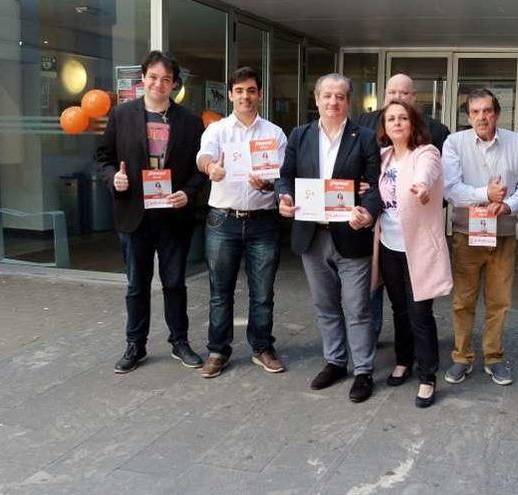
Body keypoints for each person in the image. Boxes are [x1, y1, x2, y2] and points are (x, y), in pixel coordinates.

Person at [97, 50, 206, 373]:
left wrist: (188, 193)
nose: (159, 83)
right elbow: (103, 157)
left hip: (173, 213)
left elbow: (200, 168)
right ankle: (136, 344)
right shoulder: (122, 115)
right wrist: (112, 178)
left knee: (174, 282)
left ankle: (180, 341)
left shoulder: (189, 121)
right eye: (154, 77)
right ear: (143, 79)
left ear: (174, 84)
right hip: (134, 212)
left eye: (167, 79)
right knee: (137, 284)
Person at [276, 73, 382, 403]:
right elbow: (285, 178)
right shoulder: (299, 135)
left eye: (340, 96)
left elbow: (376, 186)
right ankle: (335, 360)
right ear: (317, 100)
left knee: (357, 307)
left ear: (349, 102)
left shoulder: (364, 137)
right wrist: (284, 198)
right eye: (327, 96)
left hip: (351, 235)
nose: (333, 102)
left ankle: (363, 370)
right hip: (312, 234)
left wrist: (367, 211)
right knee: (324, 305)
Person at [195, 66, 287, 378]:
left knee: (263, 292)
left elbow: (282, 178)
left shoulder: (274, 134)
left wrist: (269, 185)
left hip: (263, 222)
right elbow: (202, 157)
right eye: (239, 91)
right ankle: (218, 350)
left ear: (260, 94)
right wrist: (211, 169)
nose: (245, 96)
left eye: (251, 90)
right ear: (231, 95)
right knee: (220, 291)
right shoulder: (218, 130)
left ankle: (262, 348)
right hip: (223, 221)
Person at [442, 88, 518, 387]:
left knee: (499, 301)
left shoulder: (517, 143)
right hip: (467, 233)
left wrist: (506, 204)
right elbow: (450, 188)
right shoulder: (454, 142)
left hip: (502, 232)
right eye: (475, 112)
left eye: (487, 111)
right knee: (463, 301)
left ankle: (494, 357)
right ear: (468, 116)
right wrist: (484, 195)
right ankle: (461, 358)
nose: (482, 117)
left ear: (497, 114)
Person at [357, 73, 451, 342]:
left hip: (417, 233)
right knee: (383, 296)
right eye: (391, 92)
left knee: (418, 308)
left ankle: (425, 369)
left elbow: (431, 170)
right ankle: (383, 346)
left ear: (414, 100)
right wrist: (362, 190)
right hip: (381, 232)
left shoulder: (434, 136)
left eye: (403, 94)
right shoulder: (370, 130)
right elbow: (365, 171)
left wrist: (423, 193)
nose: (396, 98)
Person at [371, 99, 452, 408]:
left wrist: (421, 186)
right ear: (385, 126)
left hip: (418, 248)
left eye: (403, 117)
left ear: (413, 122)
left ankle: (428, 375)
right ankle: (404, 360)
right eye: (390, 118)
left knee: (420, 313)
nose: (396, 123)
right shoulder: (383, 157)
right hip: (390, 246)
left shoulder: (426, 153)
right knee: (399, 309)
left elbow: (427, 173)